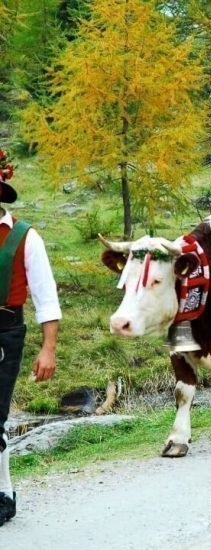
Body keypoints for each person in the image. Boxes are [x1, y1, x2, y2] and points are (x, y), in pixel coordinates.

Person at [0, 148, 61, 526]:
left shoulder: (24, 237)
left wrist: (48, 348)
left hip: (5, 331)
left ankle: (3, 492)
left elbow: (46, 295)